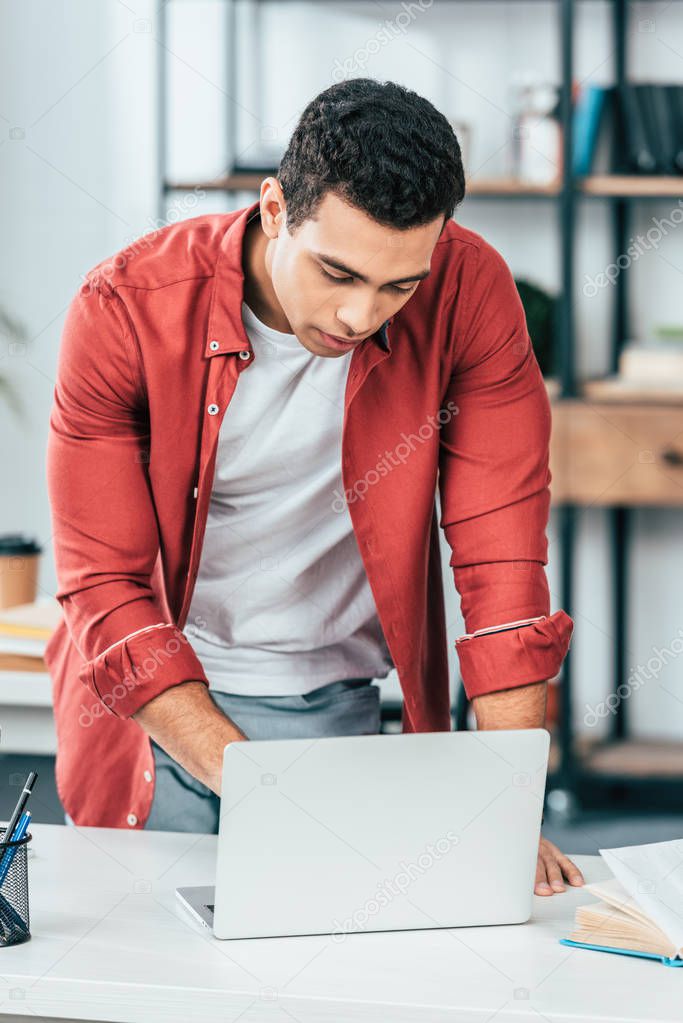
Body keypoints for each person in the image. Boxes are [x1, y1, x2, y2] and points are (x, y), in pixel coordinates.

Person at [46, 78, 583, 897]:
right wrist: (257, 788)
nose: (360, 313)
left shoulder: (469, 291)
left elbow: (503, 572)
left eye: (398, 284)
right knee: (143, 974)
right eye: (337, 272)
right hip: (145, 716)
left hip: (330, 706)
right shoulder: (124, 308)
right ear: (272, 208)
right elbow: (105, 586)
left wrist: (510, 804)